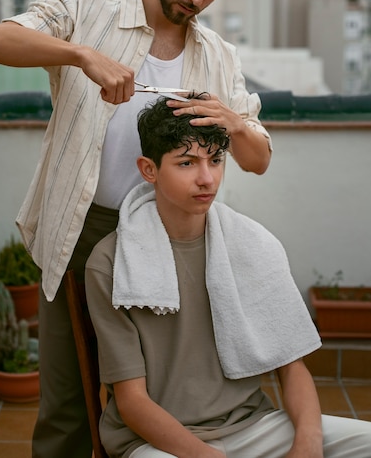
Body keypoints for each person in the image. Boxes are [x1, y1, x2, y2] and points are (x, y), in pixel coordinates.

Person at [0, 0, 272, 458]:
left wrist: (235, 122)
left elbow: (257, 159)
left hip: (172, 244)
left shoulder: (218, 58)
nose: (198, 0)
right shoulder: (86, 8)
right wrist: (81, 55)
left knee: (158, 402)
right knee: (68, 405)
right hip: (79, 233)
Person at [85, 95, 371, 458]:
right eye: (186, 163)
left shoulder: (252, 246)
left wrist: (308, 444)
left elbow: (292, 367)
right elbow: (132, 403)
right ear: (149, 169)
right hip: (159, 443)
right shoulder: (111, 262)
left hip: (252, 426)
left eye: (216, 161)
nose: (207, 179)